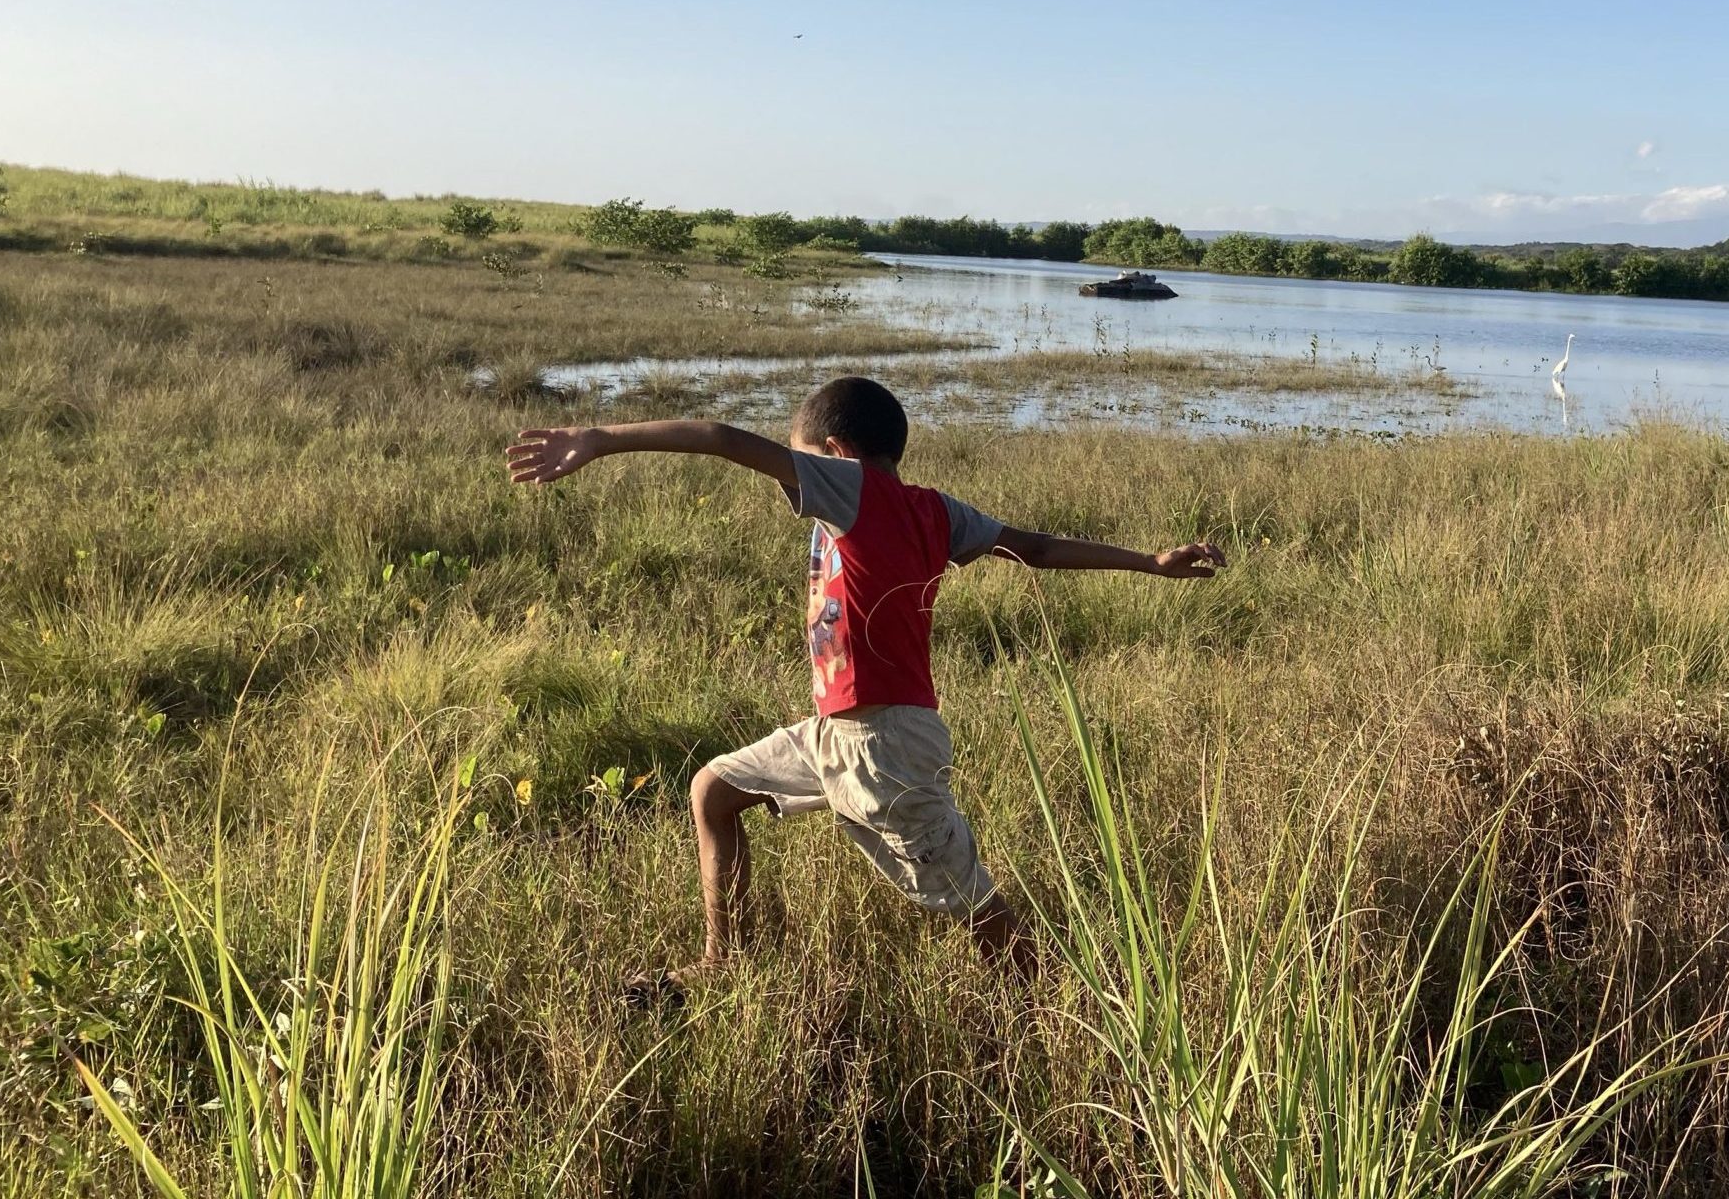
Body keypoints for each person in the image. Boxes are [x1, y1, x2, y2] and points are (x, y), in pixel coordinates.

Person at [504, 376, 1225, 986]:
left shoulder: (851, 488)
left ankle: (1050, 998)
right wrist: (1147, 561)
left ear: (838, 455)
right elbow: (1032, 547)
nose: (796, 481)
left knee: (968, 900)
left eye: (801, 462)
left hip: (882, 746)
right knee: (712, 792)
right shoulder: (940, 512)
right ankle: (726, 960)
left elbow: (722, 438)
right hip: (835, 733)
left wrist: (601, 437)